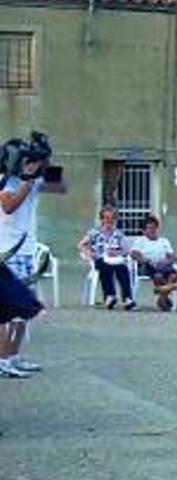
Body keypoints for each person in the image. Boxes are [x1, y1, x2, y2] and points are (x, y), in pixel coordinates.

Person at [0, 134, 66, 378]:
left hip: (27, 252)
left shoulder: (33, 180)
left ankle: (13, 356)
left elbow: (61, 188)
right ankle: (2, 360)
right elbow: (9, 206)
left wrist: (46, 164)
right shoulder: (5, 181)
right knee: (7, 312)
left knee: (24, 310)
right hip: (7, 253)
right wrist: (26, 180)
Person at [78, 206, 136, 310]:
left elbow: (127, 250)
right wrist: (89, 253)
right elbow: (81, 245)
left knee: (123, 269)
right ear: (102, 219)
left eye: (112, 218)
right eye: (106, 218)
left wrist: (116, 252)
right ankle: (110, 296)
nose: (109, 220)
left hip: (115, 259)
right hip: (100, 258)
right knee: (105, 267)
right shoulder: (94, 232)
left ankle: (127, 298)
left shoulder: (118, 233)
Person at [131, 214, 177, 311]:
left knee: (174, 276)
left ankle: (162, 298)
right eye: (149, 228)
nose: (152, 230)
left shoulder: (164, 241)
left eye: (154, 227)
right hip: (148, 266)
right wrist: (145, 260)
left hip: (164, 266)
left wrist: (167, 261)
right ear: (144, 230)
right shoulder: (140, 241)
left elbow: (172, 256)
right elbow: (134, 254)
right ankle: (164, 299)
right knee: (158, 276)